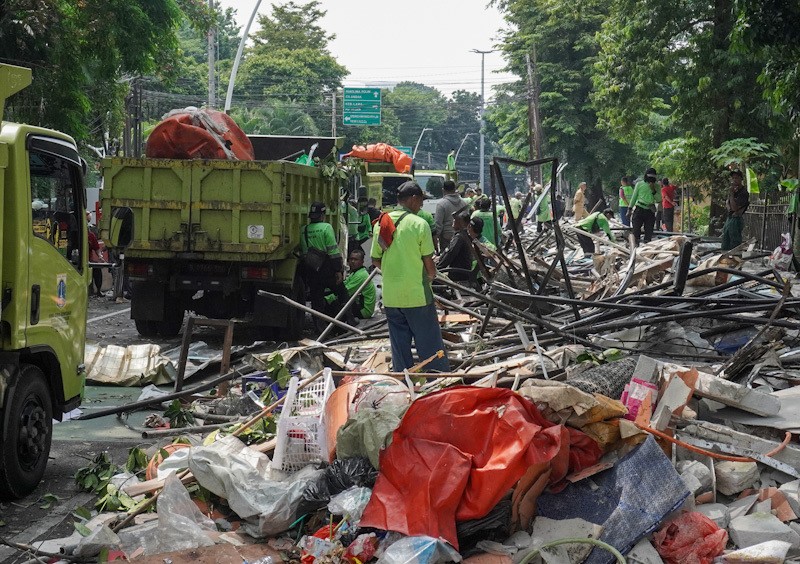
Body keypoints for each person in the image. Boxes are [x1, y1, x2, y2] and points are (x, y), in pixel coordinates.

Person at [371, 182, 450, 372]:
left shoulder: (382, 223)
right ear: (413, 199)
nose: (422, 205)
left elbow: (375, 259)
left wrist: (393, 273)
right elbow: (429, 263)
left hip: (392, 297)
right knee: (430, 345)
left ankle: (404, 379)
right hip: (417, 296)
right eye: (421, 200)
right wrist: (429, 276)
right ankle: (437, 379)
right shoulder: (419, 224)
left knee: (399, 347)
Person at [300, 202, 354, 328]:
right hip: (327, 270)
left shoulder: (304, 230)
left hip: (313, 270)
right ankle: (350, 320)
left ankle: (319, 327)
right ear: (322, 215)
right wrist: (338, 270)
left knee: (316, 300)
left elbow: (304, 252)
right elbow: (333, 251)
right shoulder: (326, 227)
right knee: (342, 293)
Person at [324, 248, 376, 319]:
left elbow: (345, 291)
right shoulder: (355, 272)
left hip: (364, 310)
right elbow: (344, 284)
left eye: (356, 259)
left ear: (362, 261)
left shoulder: (361, 275)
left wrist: (326, 299)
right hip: (358, 304)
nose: (352, 261)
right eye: (351, 259)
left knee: (334, 305)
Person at [628, 168, 661, 245]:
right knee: (636, 230)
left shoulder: (657, 186)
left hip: (650, 210)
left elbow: (659, 199)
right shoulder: (639, 184)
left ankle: (647, 246)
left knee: (649, 232)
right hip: (639, 208)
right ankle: (635, 246)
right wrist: (629, 209)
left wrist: (653, 190)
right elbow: (634, 197)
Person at [437, 210, 474, 277]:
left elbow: (450, 254)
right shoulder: (465, 235)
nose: (453, 221)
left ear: (461, 223)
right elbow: (448, 251)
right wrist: (439, 258)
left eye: (455, 220)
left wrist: (438, 268)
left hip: (458, 274)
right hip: (462, 271)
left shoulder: (459, 237)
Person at [434, 180, 466, 252]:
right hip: (462, 237)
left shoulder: (441, 204)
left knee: (447, 257)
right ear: (455, 189)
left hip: (446, 238)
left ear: (443, 190)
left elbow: (438, 224)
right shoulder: (464, 203)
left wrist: (436, 239)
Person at [721, 170, 749, 251]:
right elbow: (727, 203)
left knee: (734, 242)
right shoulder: (733, 191)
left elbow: (735, 208)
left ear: (741, 179)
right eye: (733, 178)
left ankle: (735, 256)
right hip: (730, 217)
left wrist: (732, 195)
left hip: (736, 219)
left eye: (736, 178)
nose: (734, 180)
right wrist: (730, 207)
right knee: (725, 241)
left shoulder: (743, 193)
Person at [87, 212, 104, 297]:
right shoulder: (75, 234)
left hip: (88, 261)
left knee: (97, 268)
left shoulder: (91, 236)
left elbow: (97, 248)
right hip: (77, 260)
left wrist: (100, 256)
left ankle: (98, 290)